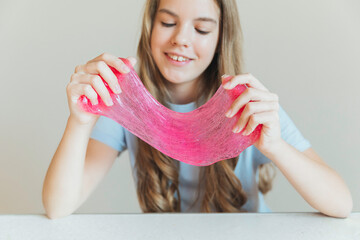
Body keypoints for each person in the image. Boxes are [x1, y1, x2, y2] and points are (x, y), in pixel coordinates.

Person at [42, 0, 352, 219]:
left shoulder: (248, 105)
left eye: (202, 29)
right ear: (150, 26)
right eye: (167, 23)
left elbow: (341, 204)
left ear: (220, 39)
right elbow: (58, 207)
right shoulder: (126, 105)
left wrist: (275, 146)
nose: (181, 39)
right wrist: (79, 121)